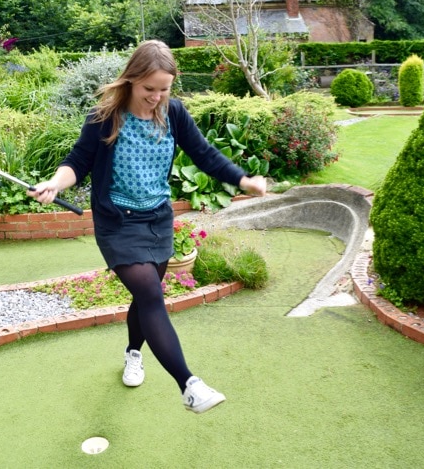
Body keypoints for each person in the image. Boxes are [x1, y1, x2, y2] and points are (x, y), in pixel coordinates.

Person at [29, 40, 266, 414]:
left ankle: (133, 353)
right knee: (152, 295)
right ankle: (189, 385)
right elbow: (78, 160)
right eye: (148, 89)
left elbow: (204, 155)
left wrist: (243, 180)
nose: (156, 97)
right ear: (131, 80)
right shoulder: (105, 116)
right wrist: (55, 184)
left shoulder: (173, 113)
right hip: (117, 223)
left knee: (146, 297)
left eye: (164, 89)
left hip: (157, 219)